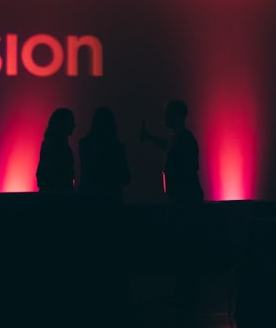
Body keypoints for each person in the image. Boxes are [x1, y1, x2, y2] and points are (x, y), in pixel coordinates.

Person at [142, 99, 204, 312]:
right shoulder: (180, 139)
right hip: (182, 200)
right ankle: (185, 290)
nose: (164, 117)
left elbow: (187, 166)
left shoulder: (183, 140)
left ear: (176, 115)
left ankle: (185, 290)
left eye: (167, 113)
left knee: (183, 245)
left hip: (183, 202)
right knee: (183, 245)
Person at [78, 106, 131, 200]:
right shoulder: (117, 149)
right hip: (111, 197)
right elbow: (126, 178)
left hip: (89, 197)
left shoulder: (85, 145)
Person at [36, 107, 76, 192]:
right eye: (71, 121)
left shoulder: (49, 146)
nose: (74, 125)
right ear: (63, 123)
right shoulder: (58, 148)